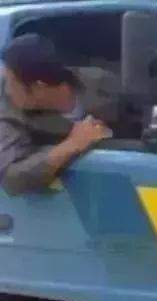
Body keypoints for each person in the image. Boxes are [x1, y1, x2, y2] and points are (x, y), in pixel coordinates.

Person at [0, 33, 114, 195]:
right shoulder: (8, 111)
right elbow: (11, 179)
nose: (6, 90)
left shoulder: (102, 84)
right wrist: (72, 144)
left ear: (39, 87)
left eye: (11, 83)